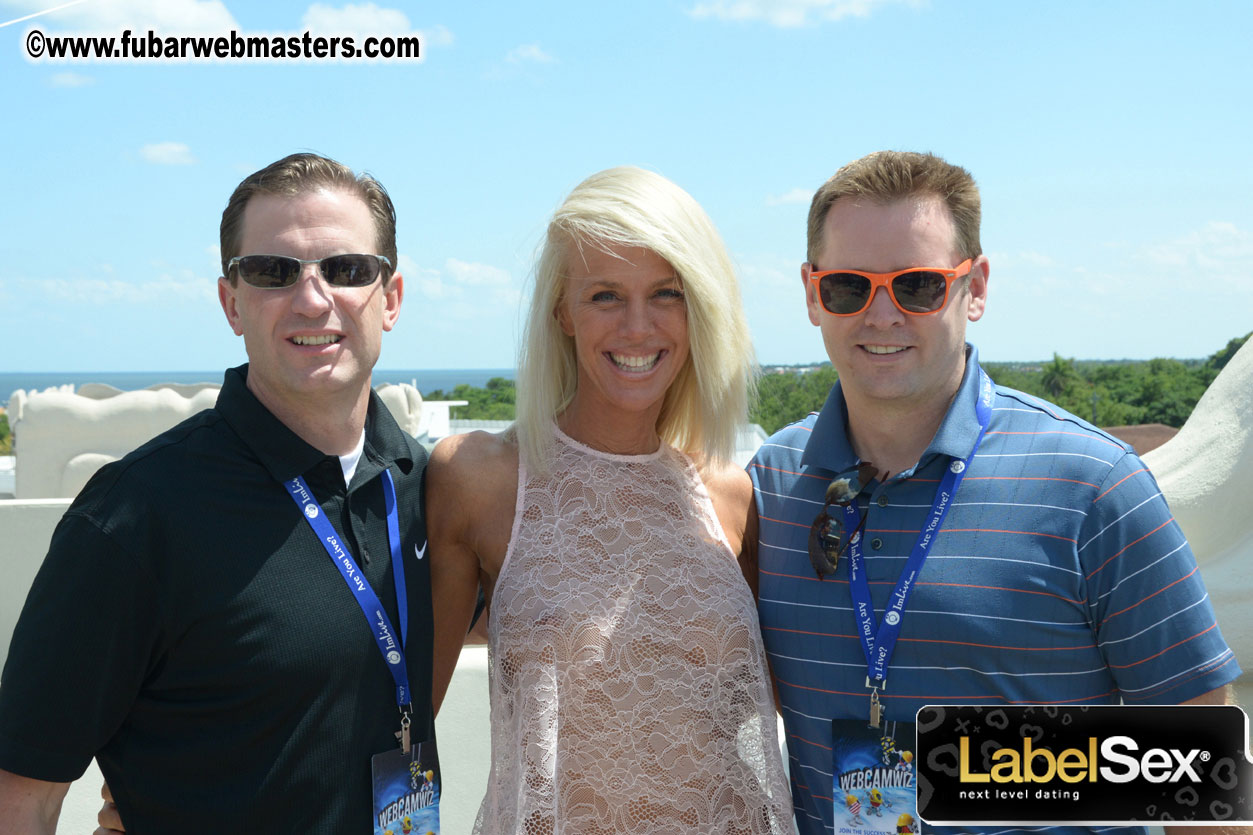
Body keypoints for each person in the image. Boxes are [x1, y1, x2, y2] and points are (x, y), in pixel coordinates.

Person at [749, 150, 1242, 835]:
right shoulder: (771, 487)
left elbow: (1197, 779)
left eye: (918, 285)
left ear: (974, 287)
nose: (882, 314)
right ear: (810, 293)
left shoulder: (1093, 487)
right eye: (847, 287)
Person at [0, 153, 436, 832]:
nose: (313, 297)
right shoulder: (136, 512)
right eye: (273, 271)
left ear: (393, 297)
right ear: (232, 303)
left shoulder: (426, 485)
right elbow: (23, 793)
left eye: (346, 269)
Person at [427, 166, 792, 833]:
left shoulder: (731, 494)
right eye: (603, 295)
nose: (636, 326)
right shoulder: (480, 479)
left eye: (665, 293)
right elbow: (405, 718)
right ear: (561, 311)